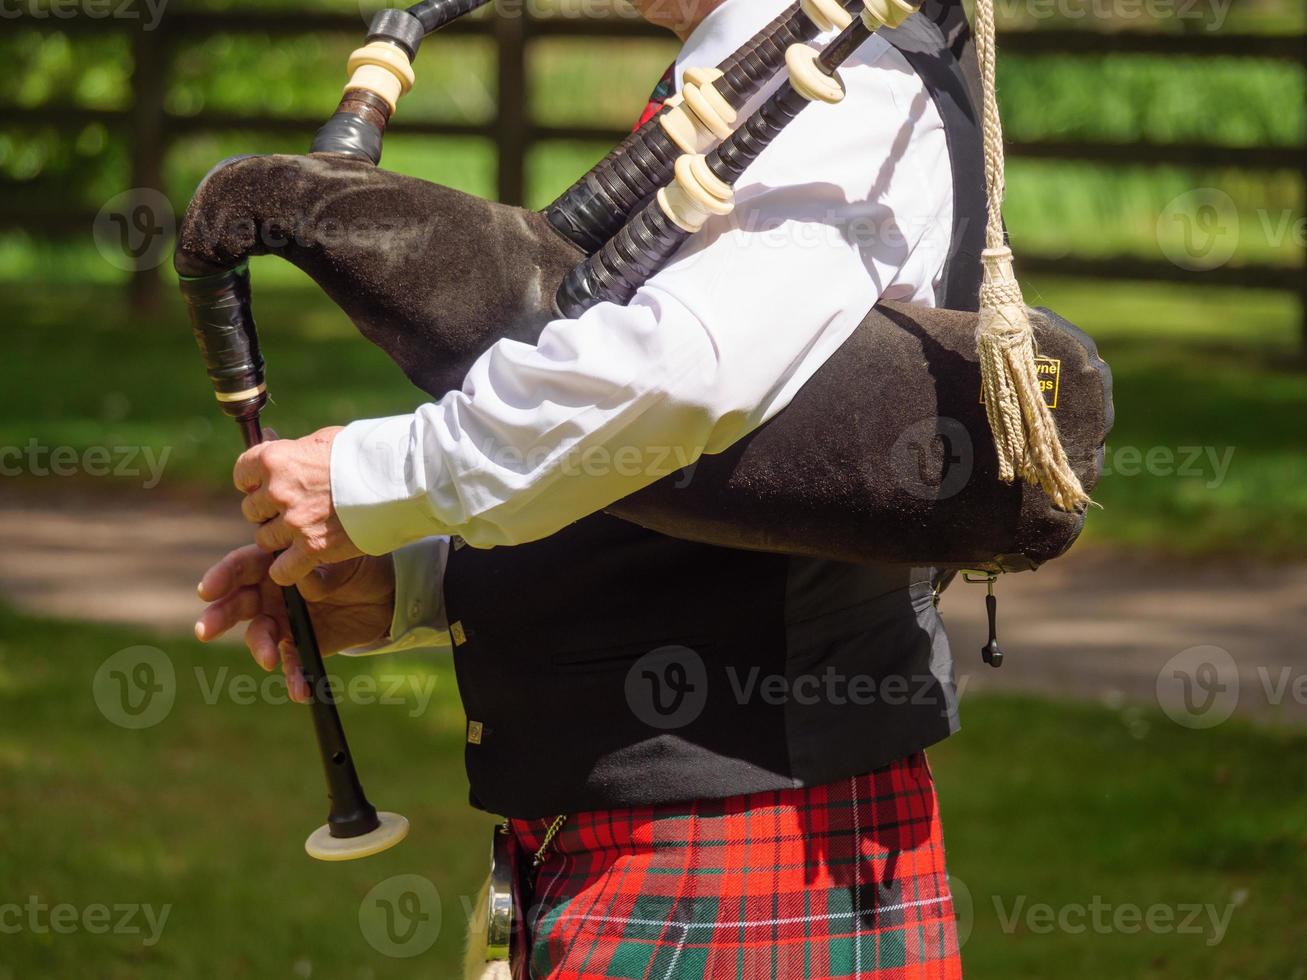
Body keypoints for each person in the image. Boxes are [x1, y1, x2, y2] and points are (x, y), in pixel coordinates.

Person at [195, 0, 970, 974]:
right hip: (653, 837)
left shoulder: (840, 72)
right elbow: (709, 454)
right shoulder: (762, 60)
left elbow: (681, 372)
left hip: (743, 836)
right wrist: (425, 576)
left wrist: (371, 476)